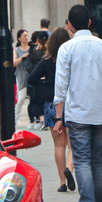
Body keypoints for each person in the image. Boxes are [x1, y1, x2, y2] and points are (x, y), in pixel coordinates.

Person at [54, 5, 102, 202]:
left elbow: (60, 86)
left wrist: (58, 117)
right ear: (90, 23)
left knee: (81, 161)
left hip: (78, 112)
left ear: (70, 25)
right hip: (101, 113)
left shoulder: (66, 48)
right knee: (97, 163)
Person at [28, 27, 75, 192]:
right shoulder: (71, 60)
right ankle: (70, 168)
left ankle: (62, 181)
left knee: (59, 145)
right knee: (72, 143)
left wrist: (45, 83)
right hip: (70, 103)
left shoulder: (46, 61)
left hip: (51, 105)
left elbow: (31, 78)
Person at [13, 29, 36, 127]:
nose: (26, 37)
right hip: (21, 77)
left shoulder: (32, 48)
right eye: (24, 36)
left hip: (31, 76)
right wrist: (23, 57)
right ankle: (14, 119)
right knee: (21, 98)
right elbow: (14, 63)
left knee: (34, 99)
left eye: (27, 35)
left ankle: (34, 120)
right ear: (19, 38)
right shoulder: (17, 50)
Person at [26, 31, 48, 130]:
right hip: (46, 80)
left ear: (38, 40)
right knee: (44, 101)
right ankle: (44, 120)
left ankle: (40, 120)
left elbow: (29, 66)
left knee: (35, 101)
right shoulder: (49, 51)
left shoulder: (32, 51)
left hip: (36, 80)